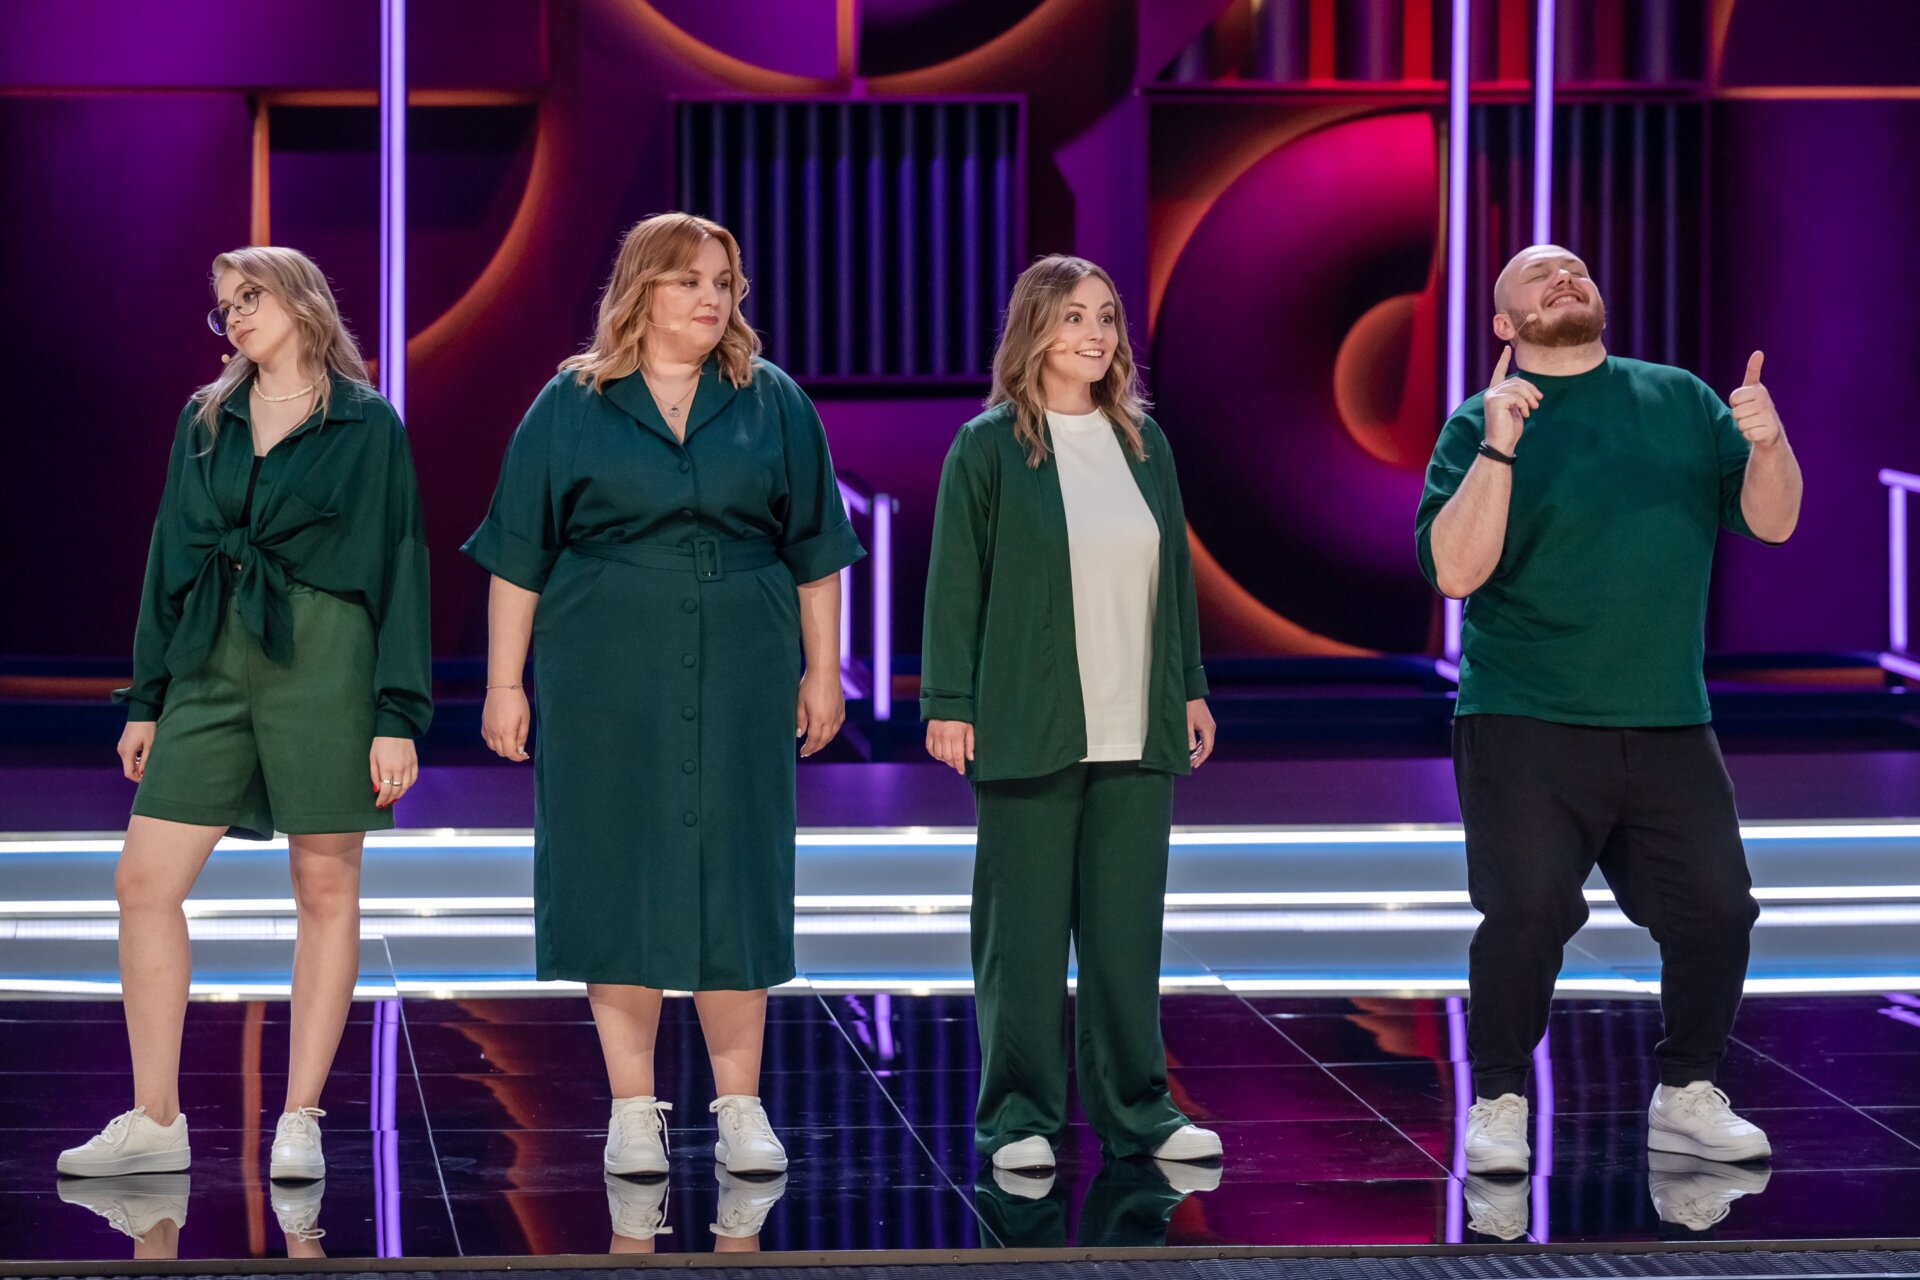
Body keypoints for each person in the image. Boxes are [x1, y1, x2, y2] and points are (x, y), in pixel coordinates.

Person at [466, 212, 863, 1178]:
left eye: (724, 282)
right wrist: (505, 683)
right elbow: (518, 553)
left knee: (739, 866)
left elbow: (817, 550)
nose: (711, 298)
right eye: (690, 280)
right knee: (616, 866)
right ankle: (632, 1109)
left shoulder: (771, 399)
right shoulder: (572, 402)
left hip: (744, 660)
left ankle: (741, 1106)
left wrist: (822, 670)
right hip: (602, 664)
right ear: (641, 290)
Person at [1416, 243, 1801, 1175]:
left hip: (1668, 716)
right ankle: (1499, 1101)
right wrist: (1500, 444)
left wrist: (1769, 443)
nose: (1564, 276)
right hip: (1525, 713)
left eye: (1575, 269)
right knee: (1526, 913)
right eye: (1537, 274)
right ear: (1503, 323)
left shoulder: (1680, 399)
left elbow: (1776, 520)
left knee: (1719, 911)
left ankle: (1687, 1093)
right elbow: (1455, 571)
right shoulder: (1479, 421)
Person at [59, 246, 432, 1184]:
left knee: (325, 887)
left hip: (329, 658)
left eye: (249, 296)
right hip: (212, 654)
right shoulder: (207, 416)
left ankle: (300, 1118)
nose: (234, 316)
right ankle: (155, 1120)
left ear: (302, 300)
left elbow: (401, 562)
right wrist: (148, 696)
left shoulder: (367, 423)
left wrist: (397, 712)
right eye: (224, 306)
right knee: (143, 882)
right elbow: (170, 556)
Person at [921, 255, 1221, 1172]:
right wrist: (948, 701)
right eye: (1074, 316)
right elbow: (954, 584)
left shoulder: (1144, 442)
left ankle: (1141, 1111)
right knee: (1022, 938)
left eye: (1106, 316)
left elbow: (1173, 577)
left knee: (1126, 938)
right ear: (1035, 330)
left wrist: (1190, 684)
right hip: (1027, 722)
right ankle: (1019, 1119)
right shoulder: (988, 447)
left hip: (1139, 722)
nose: (1095, 334)